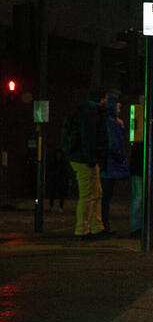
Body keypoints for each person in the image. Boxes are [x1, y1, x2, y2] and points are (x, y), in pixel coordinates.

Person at [64, 87, 109, 239]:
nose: (107, 101)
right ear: (101, 99)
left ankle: (95, 227)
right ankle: (82, 229)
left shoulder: (86, 111)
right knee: (89, 194)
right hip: (85, 159)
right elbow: (88, 138)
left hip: (83, 158)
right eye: (106, 98)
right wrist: (91, 159)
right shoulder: (90, 113)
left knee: (95, 193)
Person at [100, 92, 130, 234]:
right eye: (117, 105)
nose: (120, 107)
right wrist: (120, 157)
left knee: (105, 197)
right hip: (109, 166)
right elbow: (114, 144)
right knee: (105, 197)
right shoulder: (111, 122)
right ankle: (103, 225)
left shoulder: (110, 120)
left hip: (109, 165)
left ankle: (103, 224)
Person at [46, 147, 70, 212]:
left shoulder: (62, 162)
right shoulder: (54, 162)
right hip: (54, 179)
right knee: (52, 193)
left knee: (61, 194)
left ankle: (60, 206)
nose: (58, 156)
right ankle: (52, 206)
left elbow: (65, 171)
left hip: (60, 179)